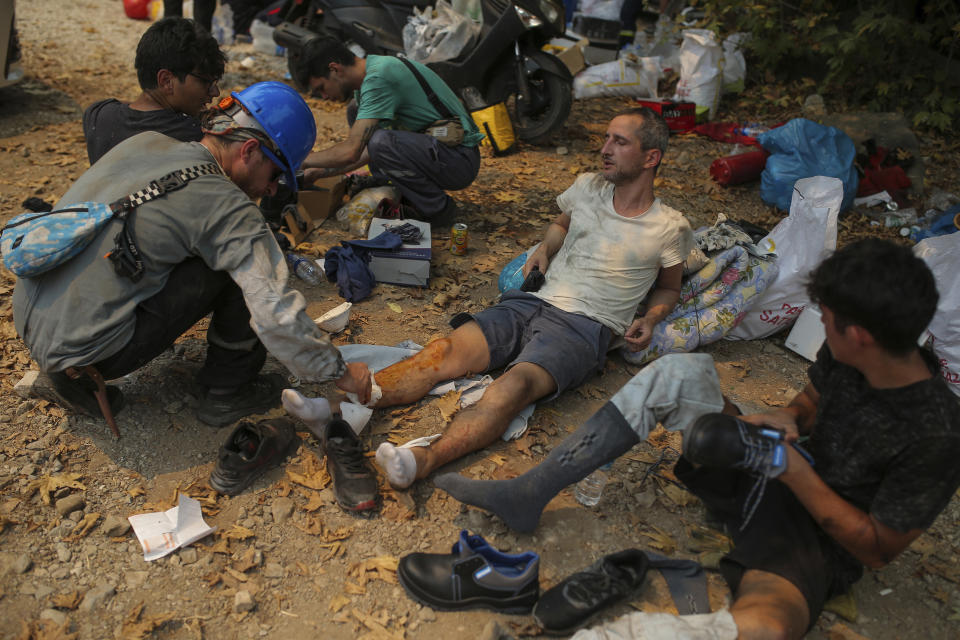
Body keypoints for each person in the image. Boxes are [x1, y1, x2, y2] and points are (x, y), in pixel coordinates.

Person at [435, 239, 960, 639]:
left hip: (817, 534)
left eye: (826, 320)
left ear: (861, 334)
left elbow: (877, 549)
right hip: (775, 463)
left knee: (768, 626)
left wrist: (794, 471)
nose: (820, 327)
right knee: (684, 375)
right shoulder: (855, 353)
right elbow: (810, 403)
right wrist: (787, 417)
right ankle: (531, 491)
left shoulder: (936, 430)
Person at [367, 106, 692, 490]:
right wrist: (543, 248)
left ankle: (423, 460)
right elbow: (560, 224)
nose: (605, 148)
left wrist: (651, 319)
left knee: (512, 387)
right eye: (606, 138)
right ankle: (350, 408)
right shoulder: (588, 187)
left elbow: (670, 287)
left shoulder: (670, 227)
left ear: (651, 157)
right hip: (529, 301)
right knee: (442, 350)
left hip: (582, 327)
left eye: (619, 142)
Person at [14, 82, 370, 431]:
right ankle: (227, 391)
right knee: (248, 263)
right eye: (276, 174)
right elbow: (273, 311)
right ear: (248, 151)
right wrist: (338, 371)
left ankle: (69, 377)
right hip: (90, 350)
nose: (273, 189)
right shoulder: (229, 208)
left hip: (32, 318)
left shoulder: (146, 141)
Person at [292, 39, 483, 224]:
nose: (324, 96)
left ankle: (438, 209)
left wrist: (303, 161)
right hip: (439, 149)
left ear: (335, 69)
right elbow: (363, 152)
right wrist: (317, 172)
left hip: (459, 159)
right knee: (357, 111)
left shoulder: (379, 78)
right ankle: (388, 184)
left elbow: (352, 151)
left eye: (321, 88)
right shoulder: (371, 71)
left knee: (380, 141)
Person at [82, 17, 225, 165]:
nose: (215, 92)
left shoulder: (98, 115)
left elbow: (134, 110)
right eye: (206, 82)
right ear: (166, 80)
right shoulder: (193, 136)